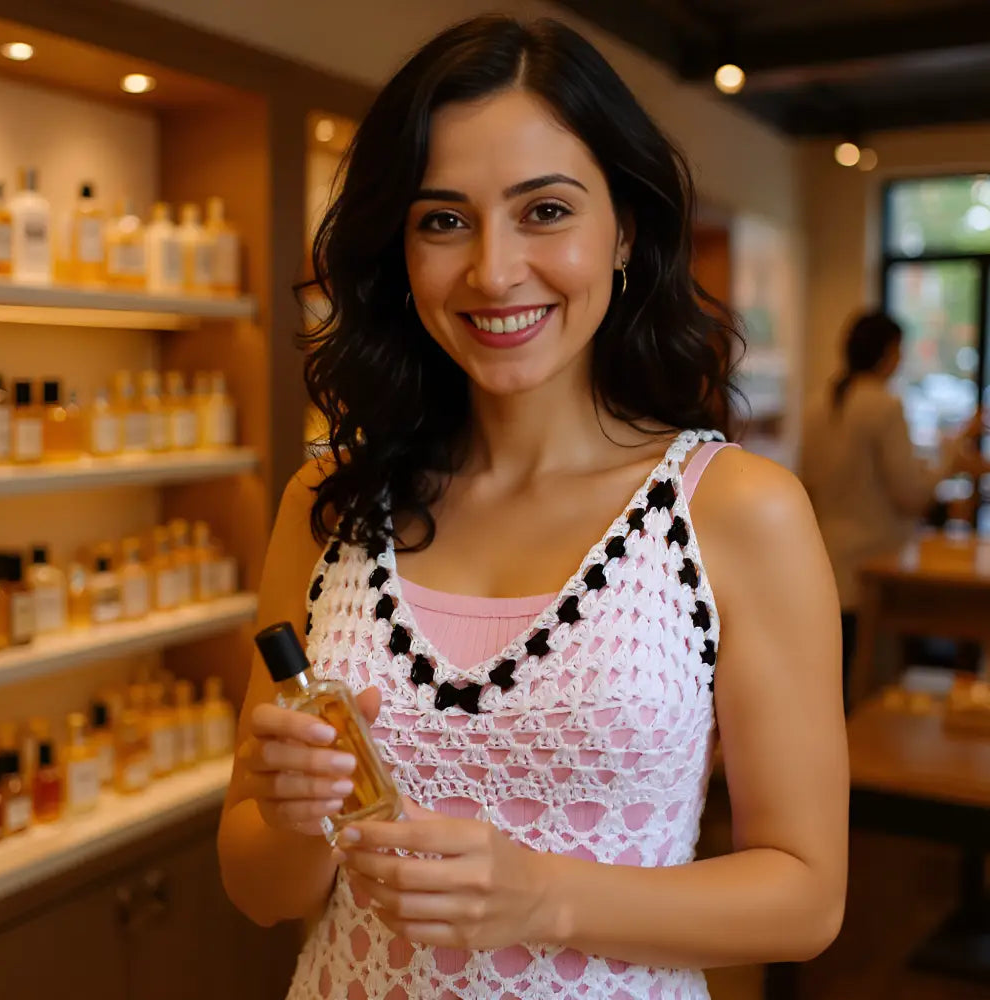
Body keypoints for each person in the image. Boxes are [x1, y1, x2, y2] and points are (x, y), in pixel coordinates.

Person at [218, 15, 848, 999]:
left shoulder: (733, 510)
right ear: (399, 250)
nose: (494, 270)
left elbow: (805, 899)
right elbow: (261, 891)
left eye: (544, 211)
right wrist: (292, 813)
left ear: (624, 229)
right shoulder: (327, 505)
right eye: (442, 221)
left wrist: (544, 897)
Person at [801, 310, 986, 700]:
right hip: (873, 563)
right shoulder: (884, 406)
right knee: (865, 684)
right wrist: (951, 457)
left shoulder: (819, 403)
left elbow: (808, 485)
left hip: (824, 558)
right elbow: (910, 495)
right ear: (887, 353)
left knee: (828, 683)